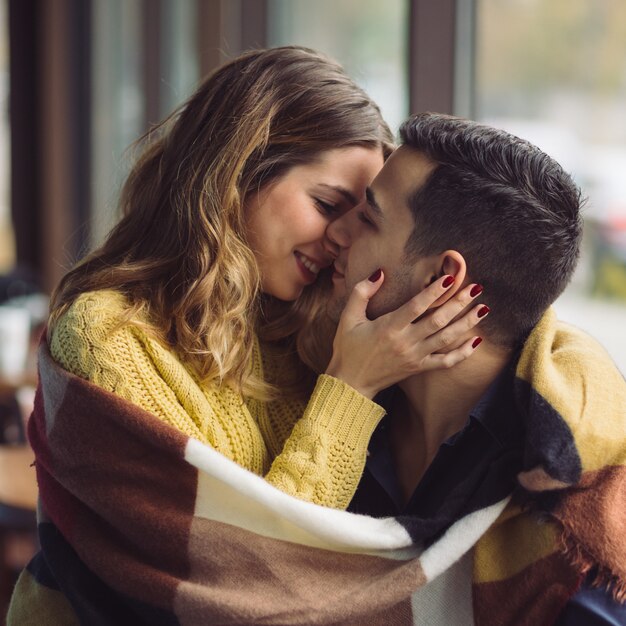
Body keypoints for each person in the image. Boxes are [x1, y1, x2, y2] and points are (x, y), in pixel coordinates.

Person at [8, 50, 486, 623]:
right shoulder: (108, 338)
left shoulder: (308, 326)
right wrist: (350, 391)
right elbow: (240, 585)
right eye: (328, 204)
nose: (342, 237)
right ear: (236, 174)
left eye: (361, 218)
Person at [319, 112, 626, 624]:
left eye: (368, 219)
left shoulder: (573, 515)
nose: (337, 231)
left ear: (444, 279)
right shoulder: (332, 377)